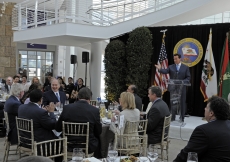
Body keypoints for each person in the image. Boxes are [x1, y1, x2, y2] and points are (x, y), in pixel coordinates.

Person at [174, 96, 230, 162]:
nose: (204, 109)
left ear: (211, 113)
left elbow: (187, 155)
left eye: (206, 107)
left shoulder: (203, 131)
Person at [55, 87, 102, 154]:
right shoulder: (94, 111)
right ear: (90, 98)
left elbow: (58, 128)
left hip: (68, 145)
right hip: (87, 146)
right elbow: (98, 132)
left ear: (78, 97)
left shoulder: (67, 108)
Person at [155, 53, 190, 122]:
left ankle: (182, 117)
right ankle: (172, 117)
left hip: (181, 88)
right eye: (174, 59)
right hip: (173, 88)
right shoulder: (171, 67)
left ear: (180, 59)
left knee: (182, 102)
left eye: (176, 59)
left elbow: (188, 77)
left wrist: (183, 82)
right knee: (173, 102)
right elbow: (166, 71)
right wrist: (160, 69)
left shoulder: (185, 67)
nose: (175, 60)